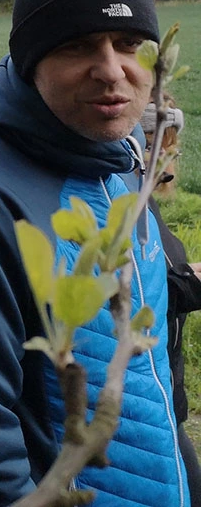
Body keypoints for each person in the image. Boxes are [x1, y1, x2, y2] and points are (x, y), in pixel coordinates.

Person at [0, 0, 187, 507]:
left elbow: (150, 371)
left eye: (129, 46)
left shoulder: (120, 168)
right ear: (31, 65)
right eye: (77, 45)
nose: (111, 69)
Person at [142, 99, 201, 502]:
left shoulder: (142, 201)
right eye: (161, 146)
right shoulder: (115, 199)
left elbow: (162, 273)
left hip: (169, 395)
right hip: (150, 407)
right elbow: (135, 294)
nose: (167, 161)